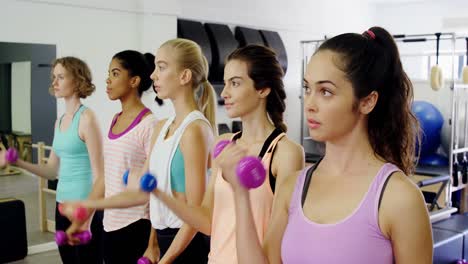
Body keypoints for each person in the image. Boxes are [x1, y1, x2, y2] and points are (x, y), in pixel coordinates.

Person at [218, 27, 433, 264]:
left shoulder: (399, 198)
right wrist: (240, 194)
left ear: (367, 101)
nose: (309, 103)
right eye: (308, 89)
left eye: (326, 92)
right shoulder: (293, 187)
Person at [150, 44, 305, 264]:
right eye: (225, 83)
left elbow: (277, 243)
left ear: (262, 89)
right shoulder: (224, 143)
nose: (224, 93)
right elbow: (207, 221)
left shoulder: (285, 152)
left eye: (235, 83)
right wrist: (160, 193)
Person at [0, 57, 104, 264]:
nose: (54, 83)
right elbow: (51, 171)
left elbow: (101, 176)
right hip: (62, 206)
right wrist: (18, 161)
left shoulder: (87, 118)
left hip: (84, 209)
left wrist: (88, 218)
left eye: (61, 77)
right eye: (53, 77)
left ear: (77, 80)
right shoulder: (59, 122)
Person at [64, 50, 157, 263]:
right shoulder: (114, 120)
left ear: (134, 81)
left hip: (136, 225)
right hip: (110, 224)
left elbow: (155, 192)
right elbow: (106, 177)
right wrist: (81, 219)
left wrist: (153, 244)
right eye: (109, 73)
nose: (108, 79)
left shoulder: (150, 125)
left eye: (115, 73)